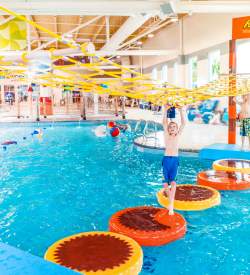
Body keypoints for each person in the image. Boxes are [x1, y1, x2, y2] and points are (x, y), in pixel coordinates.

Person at [162, 106, 186, 215]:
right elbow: (164, 122)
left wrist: (181, 111)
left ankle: (170, 205)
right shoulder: (167, 135)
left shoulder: (178, 136)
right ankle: (171, 204)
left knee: (174, 183)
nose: (172, 127)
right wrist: (166, 110)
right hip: (166, 160)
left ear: (177, 129)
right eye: (170, 126)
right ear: (168, 129)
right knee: (165, 185)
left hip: (174, 161)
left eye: (174, 127)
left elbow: (184, 123)